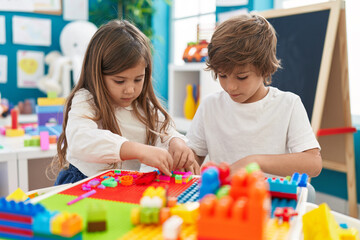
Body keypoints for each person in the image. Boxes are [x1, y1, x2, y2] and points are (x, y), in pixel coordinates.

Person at [52, 20, 199, 185]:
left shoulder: (143, 106)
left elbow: (165, 131)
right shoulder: (86, 99)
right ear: (97, 75)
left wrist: (176, 142)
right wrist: (138, 150)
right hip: (84, 181)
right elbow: (80, 139)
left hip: (122, 184)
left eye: (138, 79)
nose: (130, 89)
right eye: (119, 81)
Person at [186, 14, 322, 178]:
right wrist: (184, 157)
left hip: (270, 199)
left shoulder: (288, 104)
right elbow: (193, 158)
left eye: (242, 77)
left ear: (264, 69)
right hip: (224, 200)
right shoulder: (210, 106)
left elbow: (313, 163)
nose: (231, 86)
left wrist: (255, 162)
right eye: (222, 75)